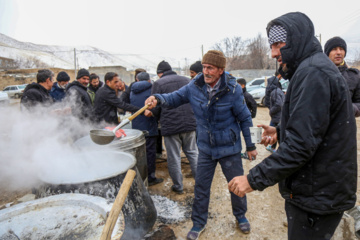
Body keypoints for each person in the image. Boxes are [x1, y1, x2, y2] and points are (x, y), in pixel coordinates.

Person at [228, 12, 357, 240]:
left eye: (279, 43)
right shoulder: (312, 68)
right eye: (271, 45)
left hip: (316, 194)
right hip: (320, 189)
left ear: (298, 39)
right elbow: (316, 128)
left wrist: (252, 179)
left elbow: (301, 146)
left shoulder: (313, 73)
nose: (273, 52)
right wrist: (280, 132)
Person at [145, 51, 257, 239]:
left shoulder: (233, 89)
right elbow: (173, 98)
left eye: (210, 68)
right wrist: (158, 98)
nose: (205, 71)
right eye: (204, 67)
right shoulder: (194, 86)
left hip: (230, 147)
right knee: (201, 186)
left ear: (221, 70)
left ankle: (241, 216)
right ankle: (198, 223)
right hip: (205, 147)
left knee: (237, 185)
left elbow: (245, 118)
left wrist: (251, 145)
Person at [150, 60, 199, 195]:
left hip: (171, 125)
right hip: (190, 122)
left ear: (160, 73)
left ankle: (178, 187)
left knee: (174, 157)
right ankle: (200, 184)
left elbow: (156, 105)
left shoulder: (158, 83)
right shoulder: (187, 80)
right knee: (193, 153)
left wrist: (152, 114)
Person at [130, 72, 163, 186]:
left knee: (139, 153)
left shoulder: (131, 90)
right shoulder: (152, 91)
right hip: (149, 126)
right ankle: (150, 177)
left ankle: (138, 176)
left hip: (136, 128)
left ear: (137, 80)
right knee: (150, 153)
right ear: (149, 80)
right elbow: (158, 107)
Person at [324, 36, 360, 117]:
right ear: (327, 53)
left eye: (341, 49)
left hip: (345, 125)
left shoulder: (354, 75)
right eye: (334, 49)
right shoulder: (317, 73)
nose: (339, 52)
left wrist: (350, 108)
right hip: (321, 125)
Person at [264, 75, 284, 153]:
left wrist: (271, 111)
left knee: (276, 133)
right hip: (279, 116)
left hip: (277, 117)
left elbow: (279, 104)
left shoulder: (274, 92)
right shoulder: (278, 90)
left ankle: (277, 149)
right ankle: (274, 147)